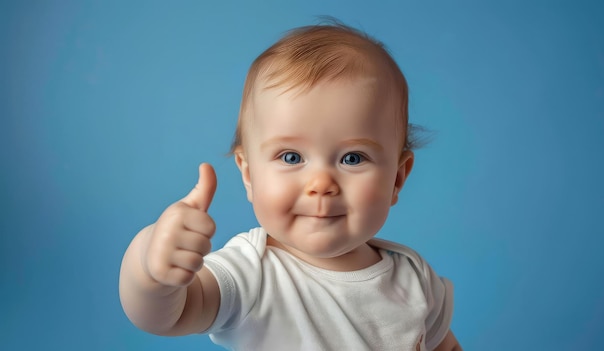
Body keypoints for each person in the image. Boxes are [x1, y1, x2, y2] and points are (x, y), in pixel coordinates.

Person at [119, 21, 462, 351]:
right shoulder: (250, 274)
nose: (321, 184)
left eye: (353, 158)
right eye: (292, 157)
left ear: (397, 179)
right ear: (249, 175)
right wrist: (150, 267)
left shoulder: (413, 276)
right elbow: (165, 316)